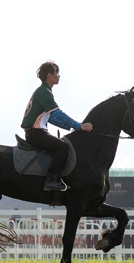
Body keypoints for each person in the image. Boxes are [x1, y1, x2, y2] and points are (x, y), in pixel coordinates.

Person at [20, 61, 93, 191]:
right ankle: (52, 179)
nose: (59, 76)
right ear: (49, 75)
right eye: (56, 73)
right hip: (36, 133)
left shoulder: (44, 91)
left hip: (36, 132)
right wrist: (79, 126)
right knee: (63, 147)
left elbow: (53, 118)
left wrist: (75, 127)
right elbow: (58, 114)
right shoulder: (44, 92)